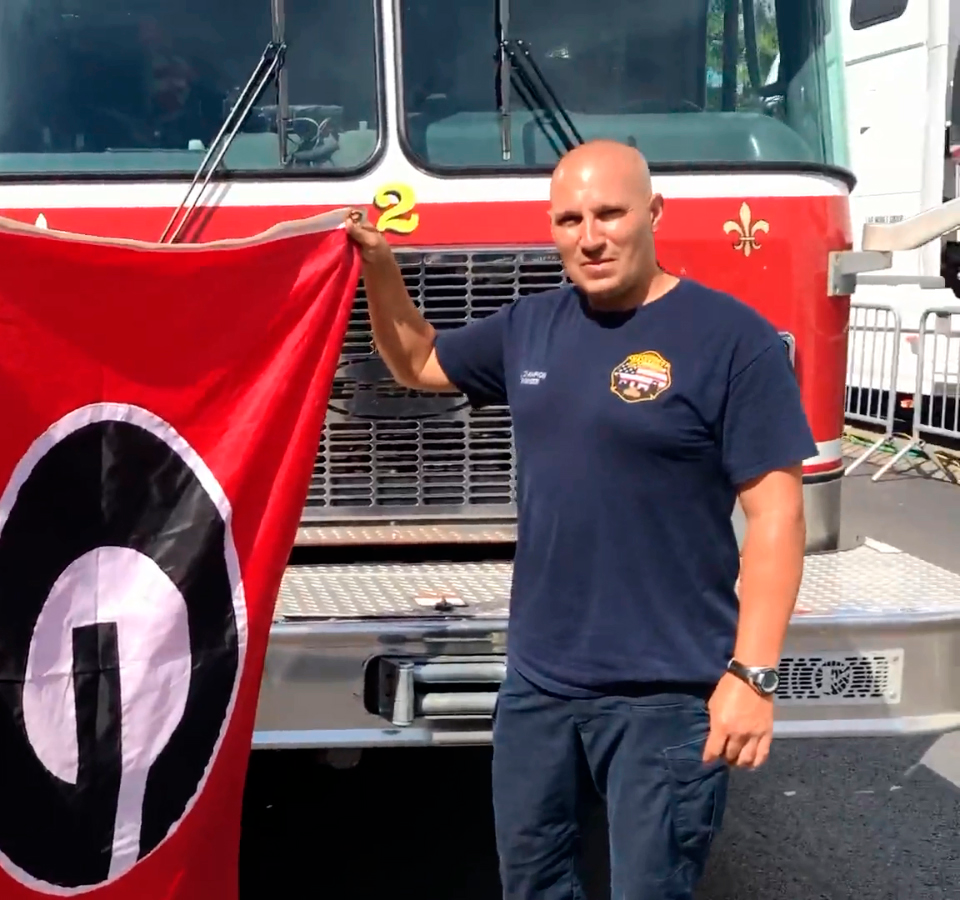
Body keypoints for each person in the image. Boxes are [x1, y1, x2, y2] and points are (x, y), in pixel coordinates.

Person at [343, 139, 813, 899]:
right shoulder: (532, 326)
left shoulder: (732, 340)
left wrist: (752, 676)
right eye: (569, 220)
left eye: (609, 214)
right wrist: (380, 270)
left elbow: (778, 516)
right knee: (532, 886)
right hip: (539, 686)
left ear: (655, 213)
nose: (590, 237)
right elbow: (418, 362)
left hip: (667, 696)